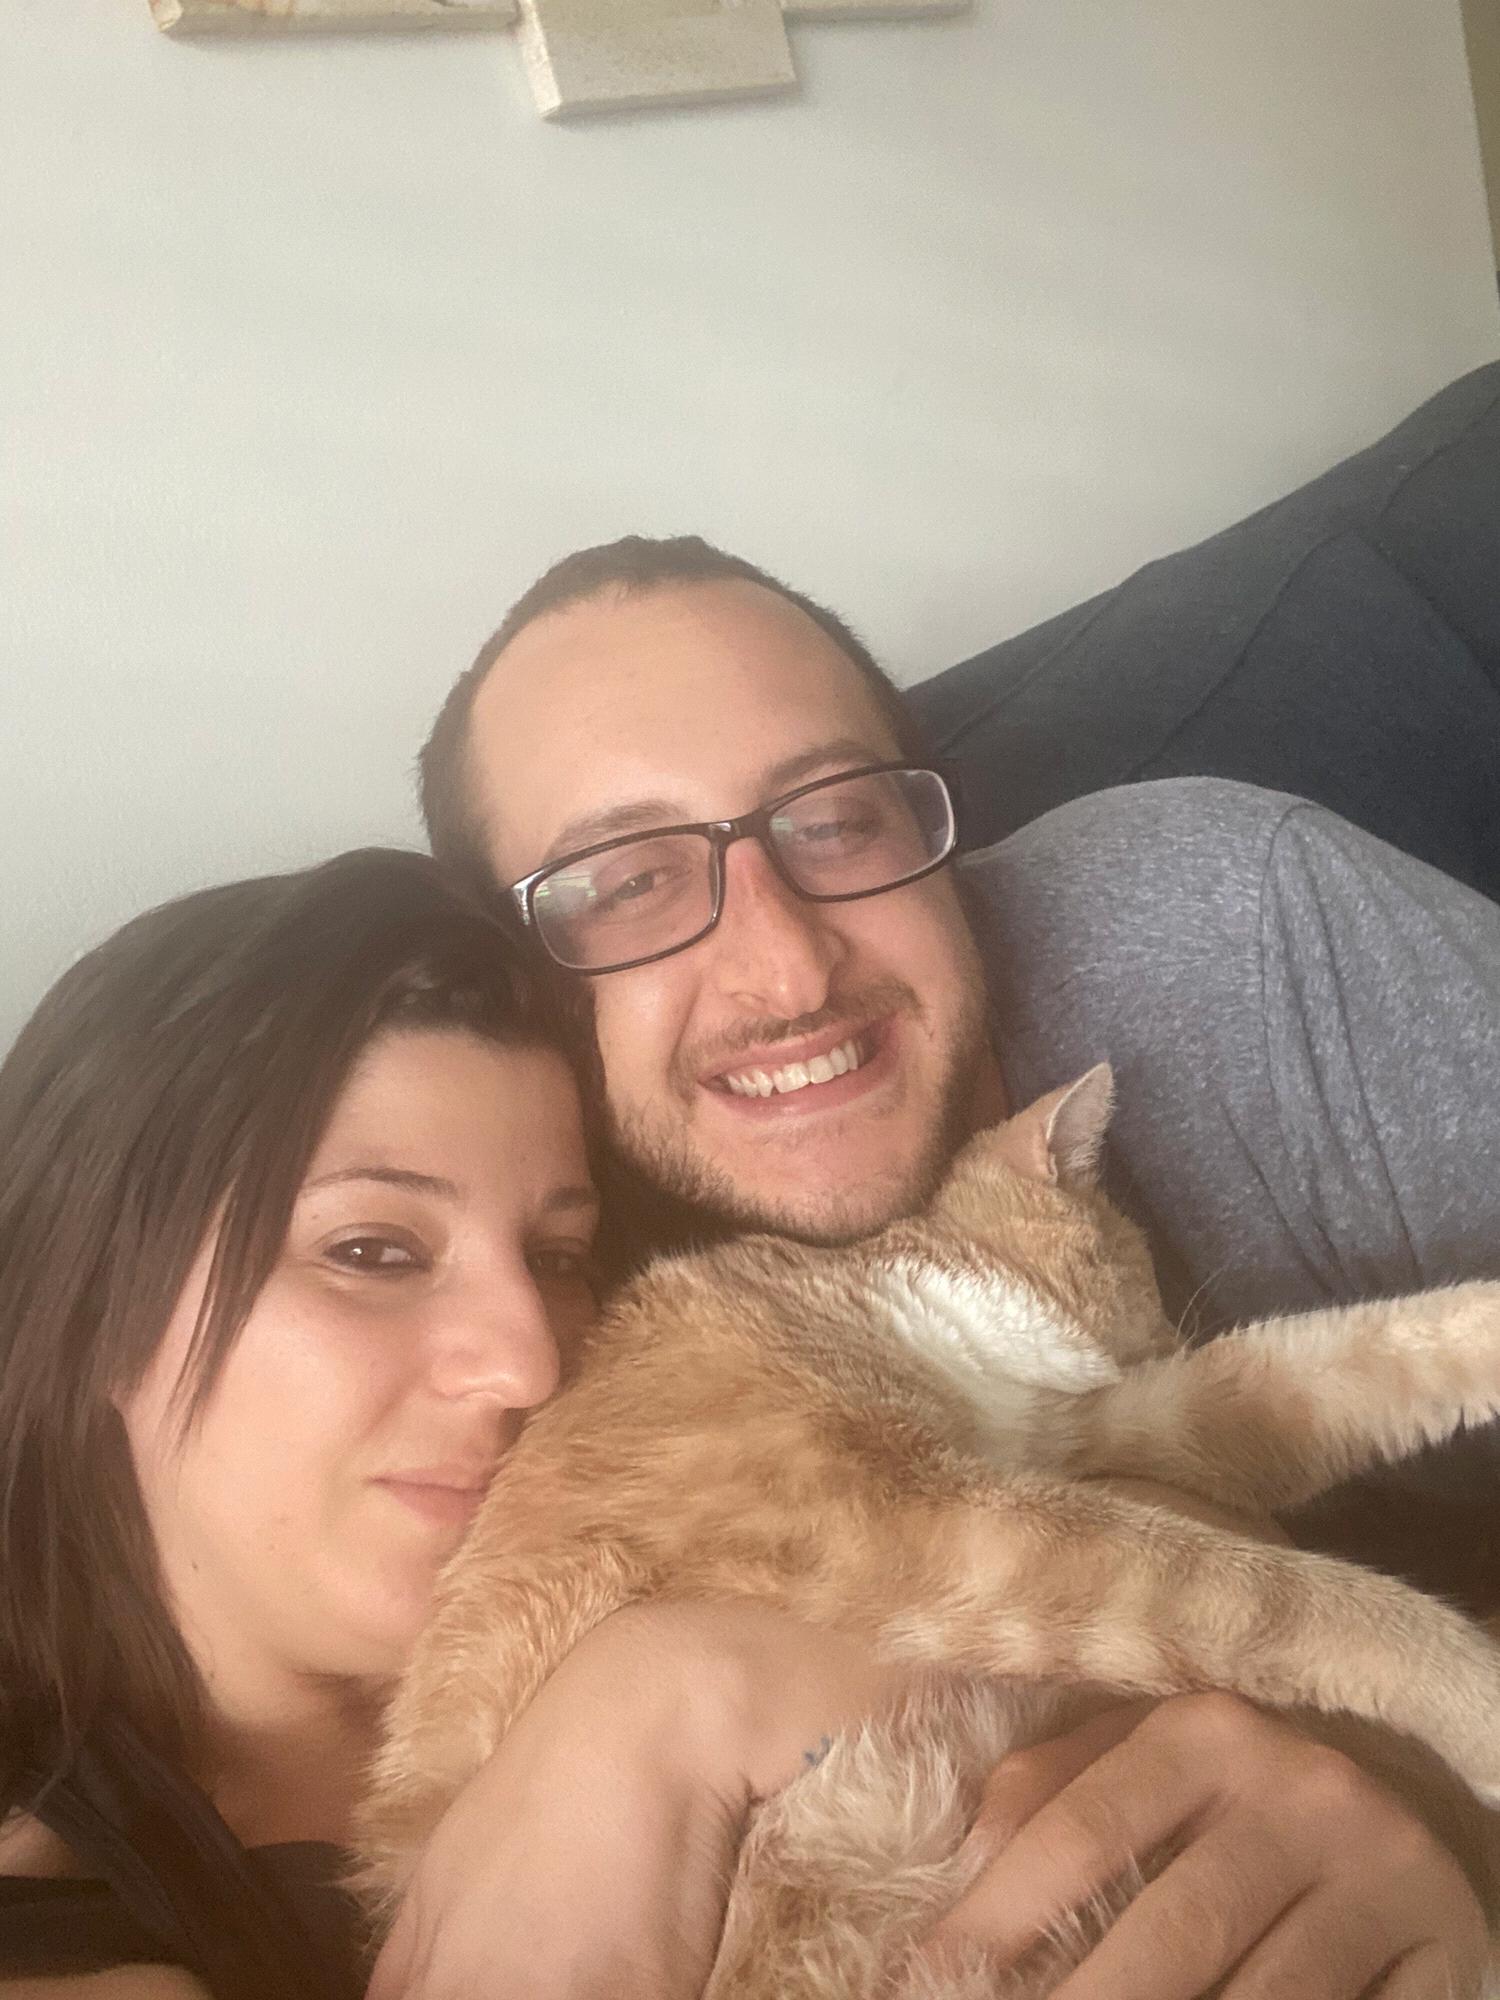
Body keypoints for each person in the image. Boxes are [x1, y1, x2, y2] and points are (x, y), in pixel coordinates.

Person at [406, 532, 1500, 1999]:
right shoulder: (540, 1265)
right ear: (525, 980)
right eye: (629, 882)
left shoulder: (1221, 934)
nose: (788, 971)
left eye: (836, 817)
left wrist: (1425, 1798)